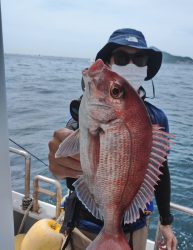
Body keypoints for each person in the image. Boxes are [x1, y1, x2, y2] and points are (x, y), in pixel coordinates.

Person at [48, 28, 177, 250]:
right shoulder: (85, 112)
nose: (131, 64)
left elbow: (160, 171)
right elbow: (71, 174)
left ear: (146, 67)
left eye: (139, 58)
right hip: (85, 227)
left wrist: (166, 222)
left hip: (137, 228)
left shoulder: (158, 119)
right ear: (108, 62)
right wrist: (60, 163)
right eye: (121, 57)